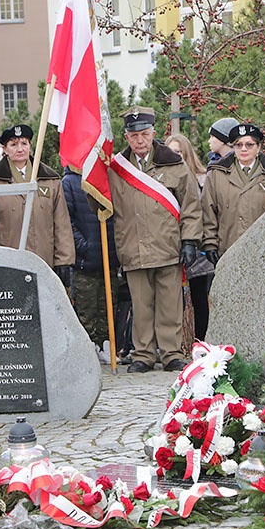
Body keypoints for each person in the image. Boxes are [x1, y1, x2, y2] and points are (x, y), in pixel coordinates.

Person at [106, 107, 202, 373]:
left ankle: (171, 353)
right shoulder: (116, 169)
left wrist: (190, 240)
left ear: (153, 134)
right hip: (133, 245)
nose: (139, 140)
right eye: (134, 135)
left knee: (170, 304)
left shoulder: (174, 164)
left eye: (144, 134)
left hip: (168, 245)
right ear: (127, 137)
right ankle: (143, 355)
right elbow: (102, 205)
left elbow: (191, 205)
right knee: (141, 305)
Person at [0, 124, 75, 280]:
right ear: (4, 149)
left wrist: (64, 261)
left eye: (24, 143)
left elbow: (61, 224)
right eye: (13, 144)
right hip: (7, 268)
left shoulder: (49, 180)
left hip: (44, 265)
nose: (19, 149)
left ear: (30, 146)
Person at [202, 122, 265, 266]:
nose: (243, 149)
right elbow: (208, 211)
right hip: (227, 249)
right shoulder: (216, 174)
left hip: (263, 251)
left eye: (249, 145)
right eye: (238, 145)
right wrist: (210, 243)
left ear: (258, 147)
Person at [62, 166, 119, 363]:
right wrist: (82, 246)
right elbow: (66, 220)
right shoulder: (69, 182)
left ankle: (107, 345)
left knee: (108, 304)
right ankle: (89, 348)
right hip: (85, 260)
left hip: (108, 254)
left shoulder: (106, 175)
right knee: (87, 308)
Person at [165, 133, 214, 342]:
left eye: (179, 151)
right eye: (171, 152)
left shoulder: (203, 178)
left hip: (199, 247)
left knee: (199, 298)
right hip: (171, 244)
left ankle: (201, 341)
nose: (176, 156)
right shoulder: (163, 178)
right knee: (173, 299)